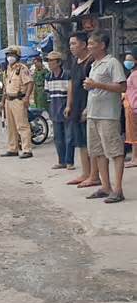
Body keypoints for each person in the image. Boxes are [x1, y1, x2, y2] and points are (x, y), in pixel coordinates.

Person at [83, 31, 127, 203]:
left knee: (115, 151)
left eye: (92, 43)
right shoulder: (94, 65)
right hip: (94, 114)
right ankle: (105, 186)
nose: (89, 46)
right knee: (98, 151)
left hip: (108, 115)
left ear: (102, 45)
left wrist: (96, 84)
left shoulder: (112, 63)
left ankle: (118, 189)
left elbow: (122, 87)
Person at [65, 32, 101, 187]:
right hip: (76, 106)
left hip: (90, 107)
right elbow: (72, 84)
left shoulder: (91, 62)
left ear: (84, 44)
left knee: (91, 142)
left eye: (74, 43)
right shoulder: (74, 61)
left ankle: (95, 175)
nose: (71, 47)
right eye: (70, 44)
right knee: (81, 142)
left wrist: (88, 108)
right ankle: (85, 173)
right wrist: (69, 104)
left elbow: (94, 88)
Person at [0, 46, 34, 158]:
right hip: (8, 100)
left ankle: (27, 149)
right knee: (11, 126)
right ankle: (12, 149)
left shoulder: (22, 68)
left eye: (12, 55)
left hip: (18, 99)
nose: (10, 57)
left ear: (17, 56)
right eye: (8, 55)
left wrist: (27, 98)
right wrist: (2, 102)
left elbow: (29, 83)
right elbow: (5, 87)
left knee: (22, 126)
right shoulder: (7, 69)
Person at [44, 51, 74, 169]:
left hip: (66, 107)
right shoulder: (48, 77)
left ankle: (69, 161)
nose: (49, 63)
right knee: (58, 138)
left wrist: (68, 106)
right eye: (49, 61)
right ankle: (61, 161)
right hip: (54, 108)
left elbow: (70, 93)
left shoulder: (67, 75)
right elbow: (48, 95)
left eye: (52, 61)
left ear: (58, 62)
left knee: (69, 136)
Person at [123, 51, 136, 168]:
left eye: (130, 59)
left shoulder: (135, 75)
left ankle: (135, 158)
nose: (127, 62)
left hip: (133, 107)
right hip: (130, 106)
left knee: (133, 134)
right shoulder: (132, 74)